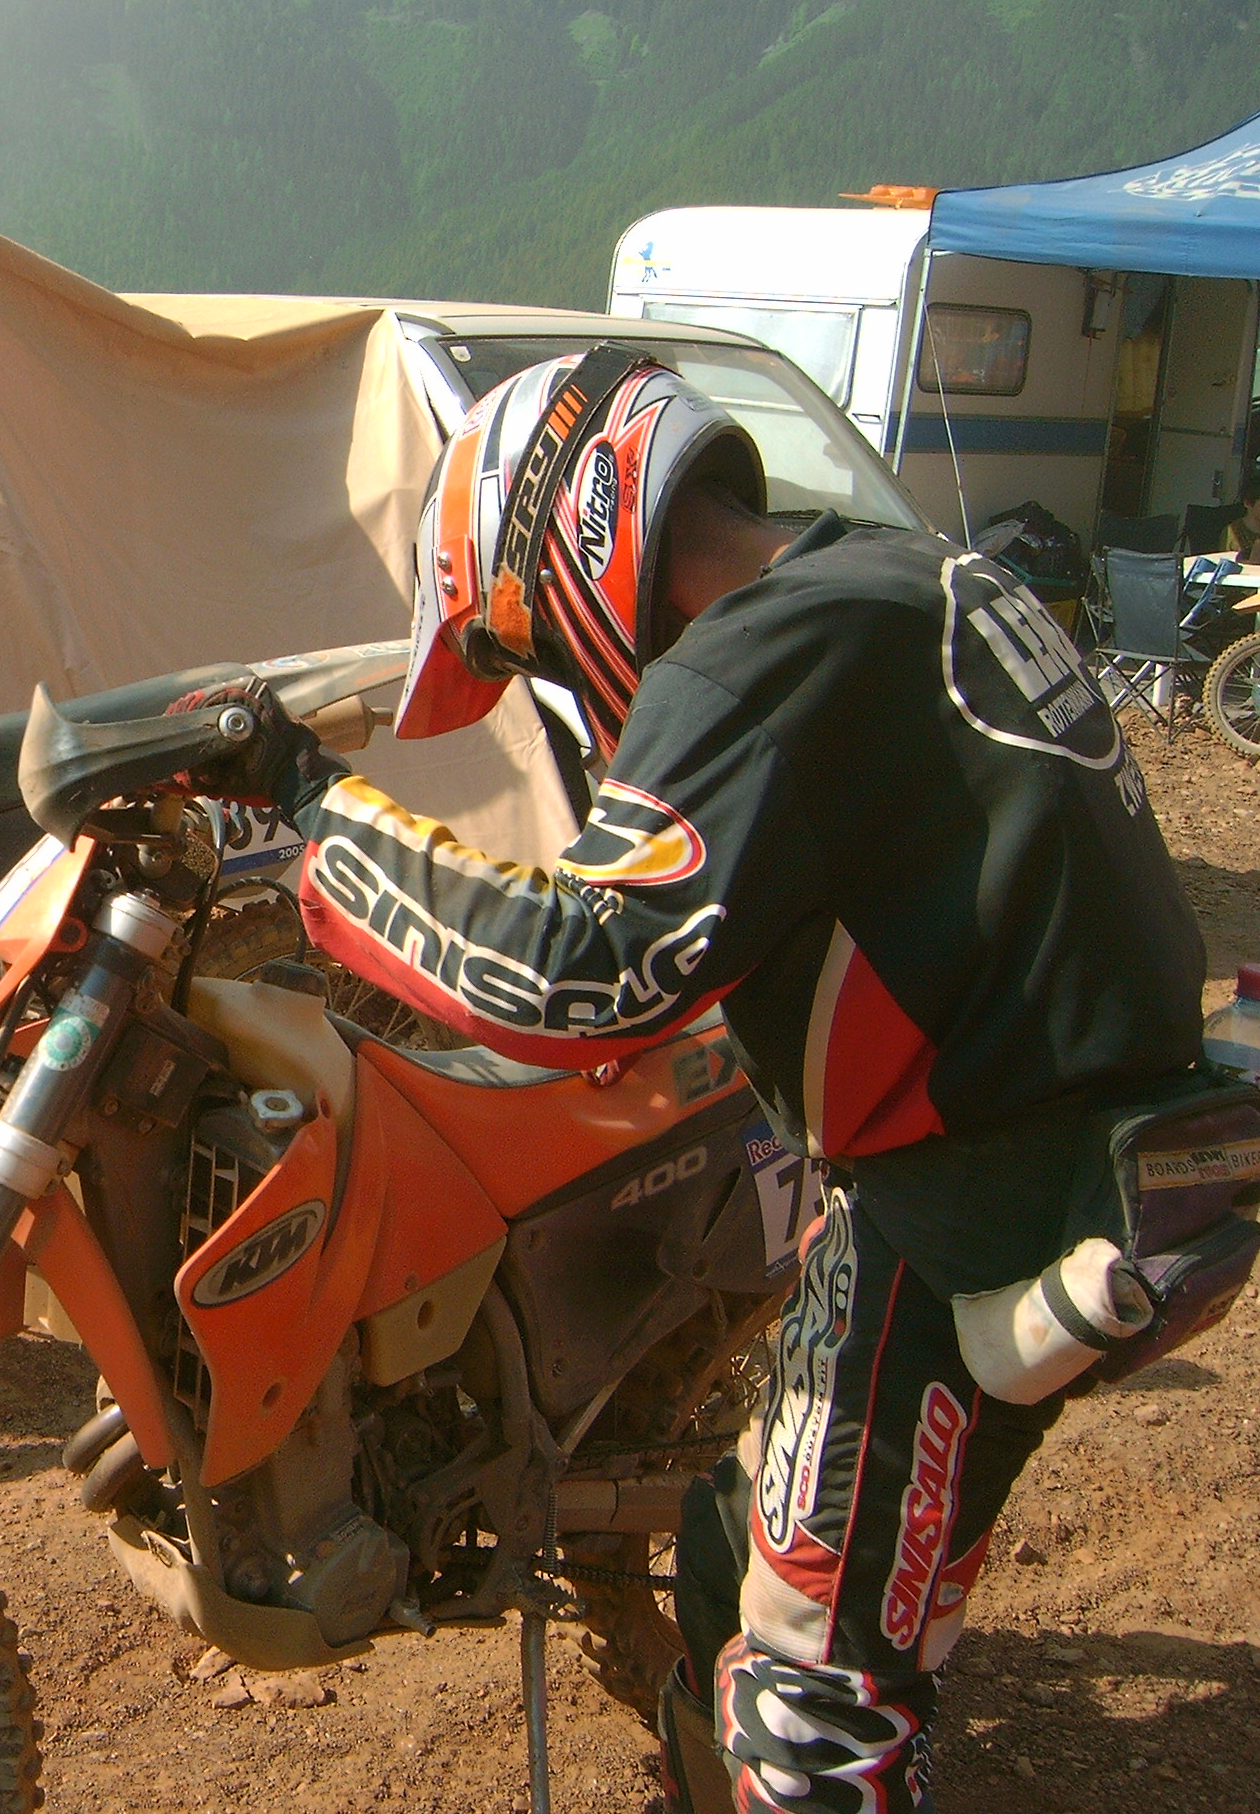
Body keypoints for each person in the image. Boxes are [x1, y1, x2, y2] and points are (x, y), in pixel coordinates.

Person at [179, 345, 1203, 1812]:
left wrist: (310, 812)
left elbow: (583, 971)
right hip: (1070, 1136)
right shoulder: (894, 576)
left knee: (814, 1697)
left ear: (574, 538)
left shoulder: (758, 651)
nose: (552, 683)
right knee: (731, 1548)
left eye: (526, 646)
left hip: (971, 1191)